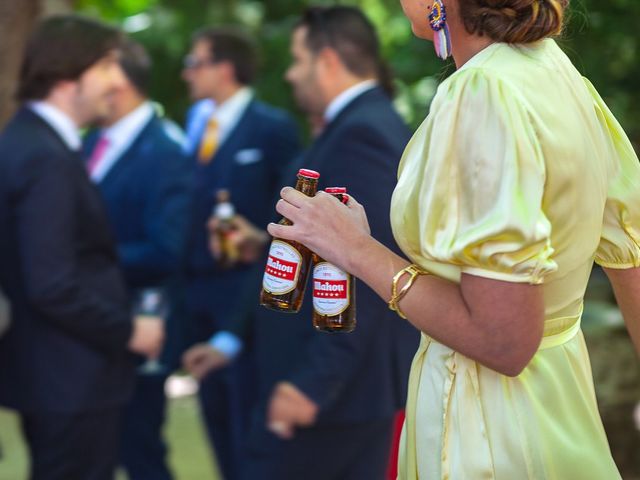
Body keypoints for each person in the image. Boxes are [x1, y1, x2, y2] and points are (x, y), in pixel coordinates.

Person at [268, 0, 640, 478]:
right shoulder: (555, 71)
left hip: (492, 432)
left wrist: (357, 250)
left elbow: (504, 341)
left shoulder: (484, 93)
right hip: (559, 404)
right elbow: (629, 252)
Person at [186, 7, 419, 479]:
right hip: (319, 389)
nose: (290, 75)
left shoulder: (362, 135)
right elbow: (324, 248)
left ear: (327, 60)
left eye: (297, 59)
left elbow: (368, 267)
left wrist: (314, 386)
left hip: (334, 400)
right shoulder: (354, 126)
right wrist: (233, 337)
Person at [0, 15, 164, 480]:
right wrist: (128, 331)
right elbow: (51, 283)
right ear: (67, 74)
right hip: (69, 378)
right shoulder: (43, 155)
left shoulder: (31, 140)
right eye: (107, 66)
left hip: (58, 374)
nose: (117, 81)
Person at [180, 27, 300, 479]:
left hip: (248, 295)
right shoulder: (194, 124)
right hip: (197, 294)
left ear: (224, 68)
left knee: (247, 416)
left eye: (196, 63)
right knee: (211, 412)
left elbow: (292, 218)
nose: (187, 73)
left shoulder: (273, 127)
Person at [83, 39, 191, 480]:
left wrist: (79, 262)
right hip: (91, 325)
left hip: (140, 323)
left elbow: (168, 248)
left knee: (140, 448)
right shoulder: (89, 141)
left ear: (120, 82)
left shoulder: (166, 150)